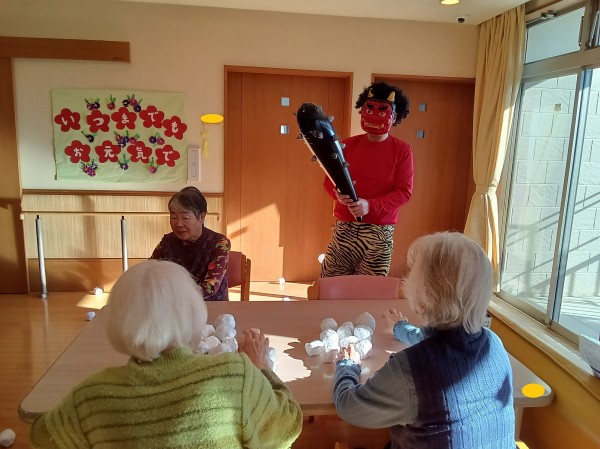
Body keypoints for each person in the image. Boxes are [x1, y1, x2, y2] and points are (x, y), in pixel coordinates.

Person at [30, 260, 303, 449]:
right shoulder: (235, 376)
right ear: (194, 314)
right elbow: (286, 429)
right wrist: (261, 369)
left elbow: (44, 436)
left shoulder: (90, 396)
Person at [332, 232, 516, 449]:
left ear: (424, 293)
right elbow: (445, 344)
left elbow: (349, 408)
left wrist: (347, 366)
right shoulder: (493, 343)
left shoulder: (408, 369)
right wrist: (402, 329)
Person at [321, 81, 414, 277]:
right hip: (344, 228)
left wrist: (370, 205)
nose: (374, 116)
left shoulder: (402, 150)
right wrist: (337, 194)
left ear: (394, 116)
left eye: (382, 112)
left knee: (369, 290)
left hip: (379, 233)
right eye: (369, 109)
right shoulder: (346, 145)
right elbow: (329, 181)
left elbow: (404, 192)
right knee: (331, 284)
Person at [150, 186, 230, 300]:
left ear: (202, 217)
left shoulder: (220, 243)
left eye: (185, 217)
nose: (178, 224)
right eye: (173, 217)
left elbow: (211, 286)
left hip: (210, 304)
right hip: (173, 304)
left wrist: (173, 294)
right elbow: (150, 269)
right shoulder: (167, 242)